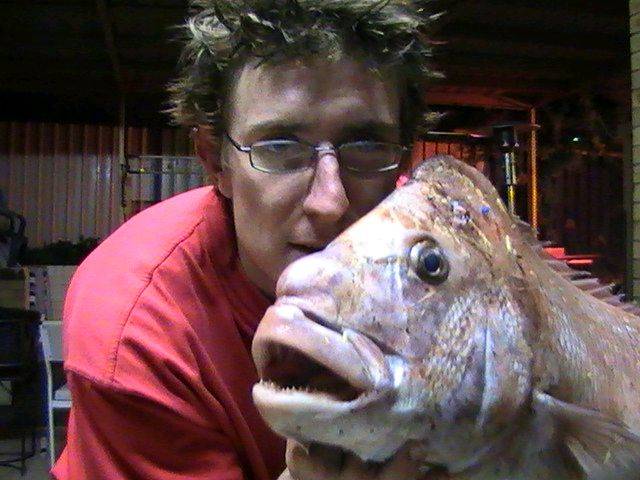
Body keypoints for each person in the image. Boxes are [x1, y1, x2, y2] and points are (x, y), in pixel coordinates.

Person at [52, 1, 438, 479]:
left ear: (403, 160)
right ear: (217, 162)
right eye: (277, 147)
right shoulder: (140, 324)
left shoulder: (437, 264)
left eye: (366, 145)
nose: (330, 202)